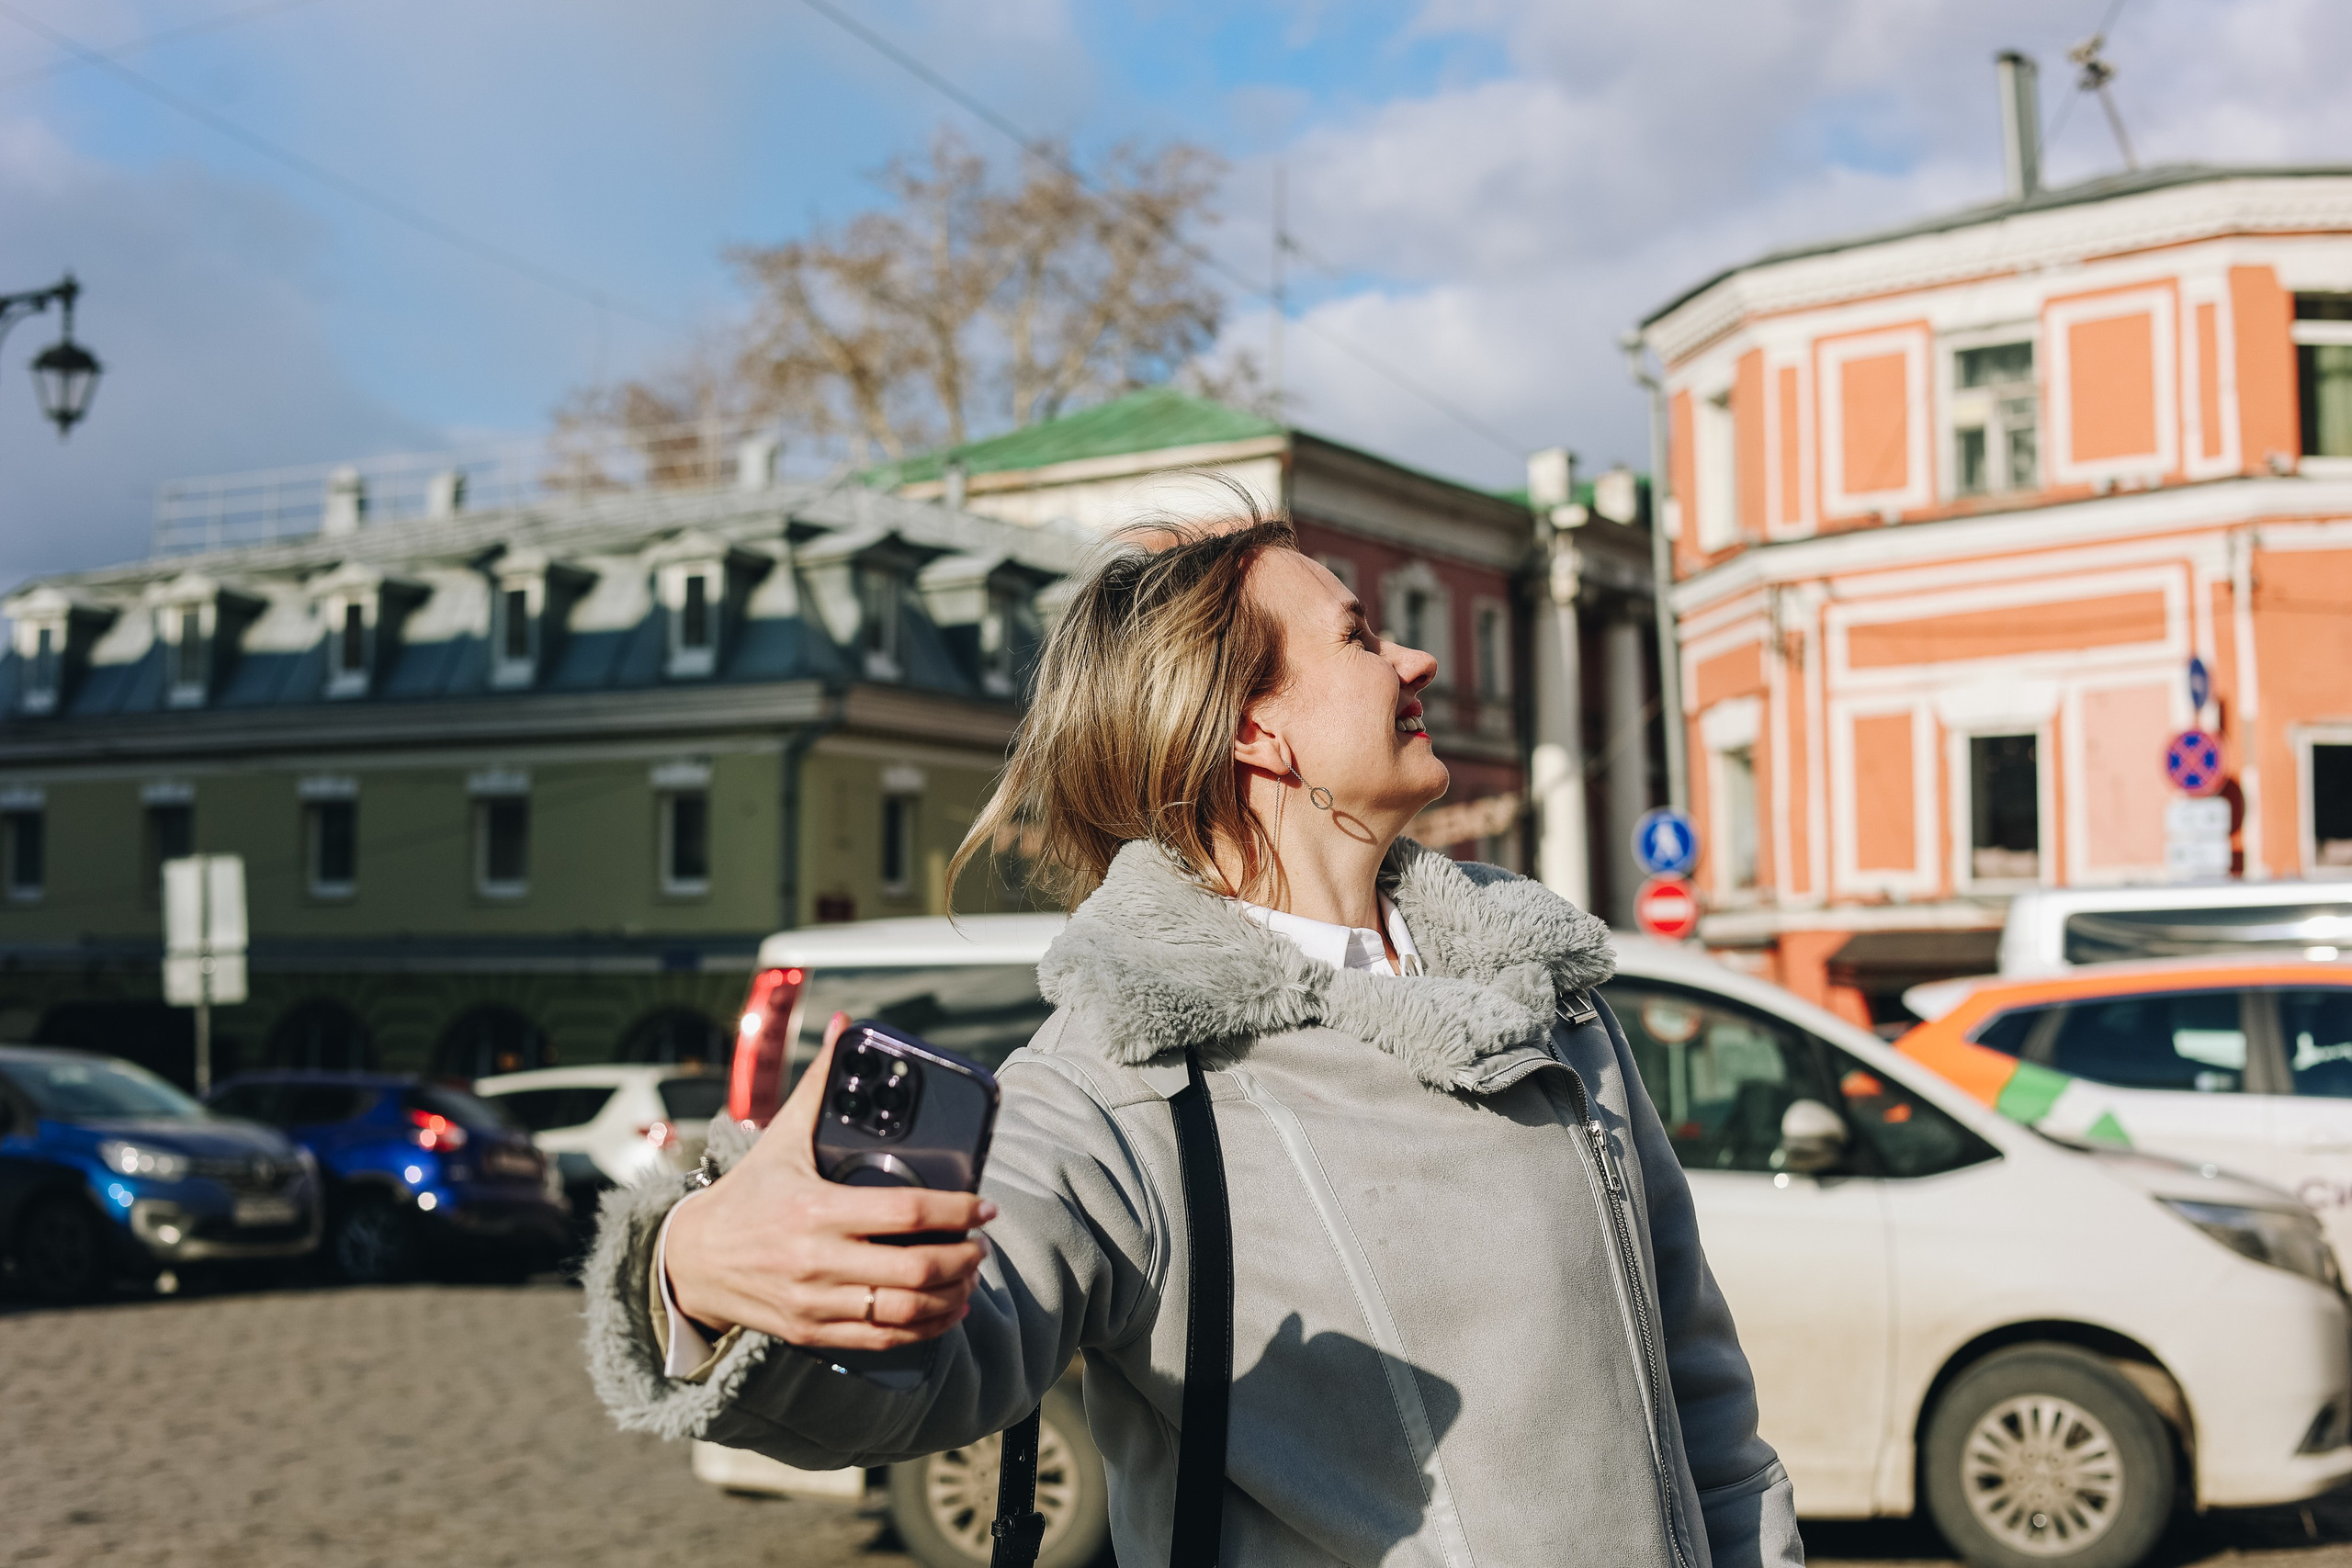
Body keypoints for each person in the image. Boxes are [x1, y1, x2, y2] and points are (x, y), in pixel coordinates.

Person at [586, 513, 1802, 1566]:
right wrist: (697, 1272)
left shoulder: (1547, 998)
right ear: (1254, 731)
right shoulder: (1125, 1076)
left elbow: (1705, 1411)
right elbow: (929, 1366)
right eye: (1360, 637)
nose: (1417, 658)